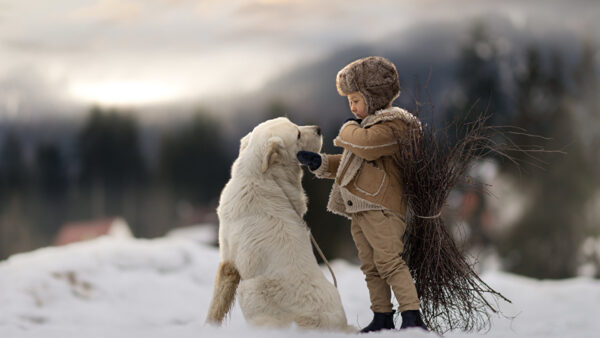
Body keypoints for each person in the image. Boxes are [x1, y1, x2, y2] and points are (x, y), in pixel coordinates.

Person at [297, 56, 427, 332]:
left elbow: (365, 146)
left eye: (356, 100)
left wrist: (346, 127)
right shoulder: (367, 126)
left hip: (383, 209)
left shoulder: (395, 126)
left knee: (390, 262)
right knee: (371, 267)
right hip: (361, 208)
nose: (352, 107)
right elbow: (349, 162)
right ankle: (382, 316)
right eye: (350, 102)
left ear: (375, 97)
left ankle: (412, 316)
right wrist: (320, 163)